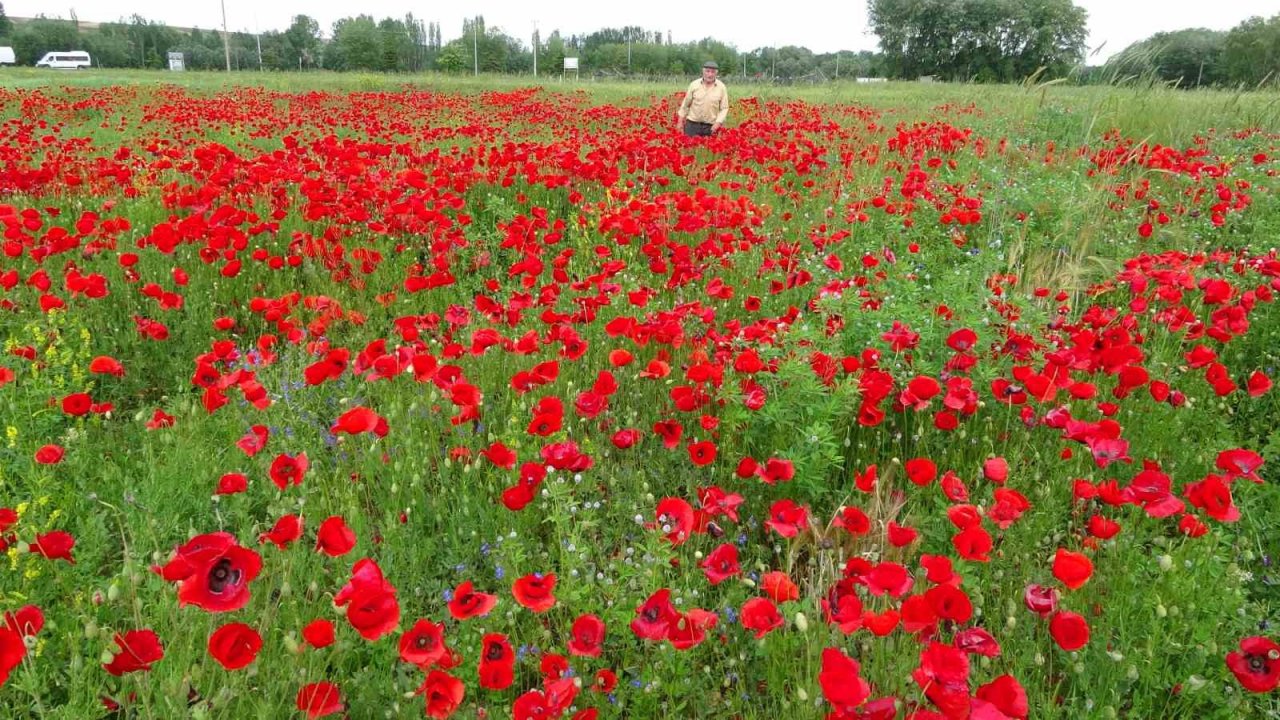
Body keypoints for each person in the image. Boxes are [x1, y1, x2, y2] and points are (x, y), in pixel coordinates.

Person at [676, 60, 729, 138]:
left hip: (711, 126)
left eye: (713, 72)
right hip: (692, 125)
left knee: (708, 150)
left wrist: (718, 123)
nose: (710, 74)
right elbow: (685, 104)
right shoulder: (694, 85)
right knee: (690, 149)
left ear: (716, 73)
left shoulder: (721, 87)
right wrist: (680, 121)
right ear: (703, 72)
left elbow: (724, 108)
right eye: (707, 71)